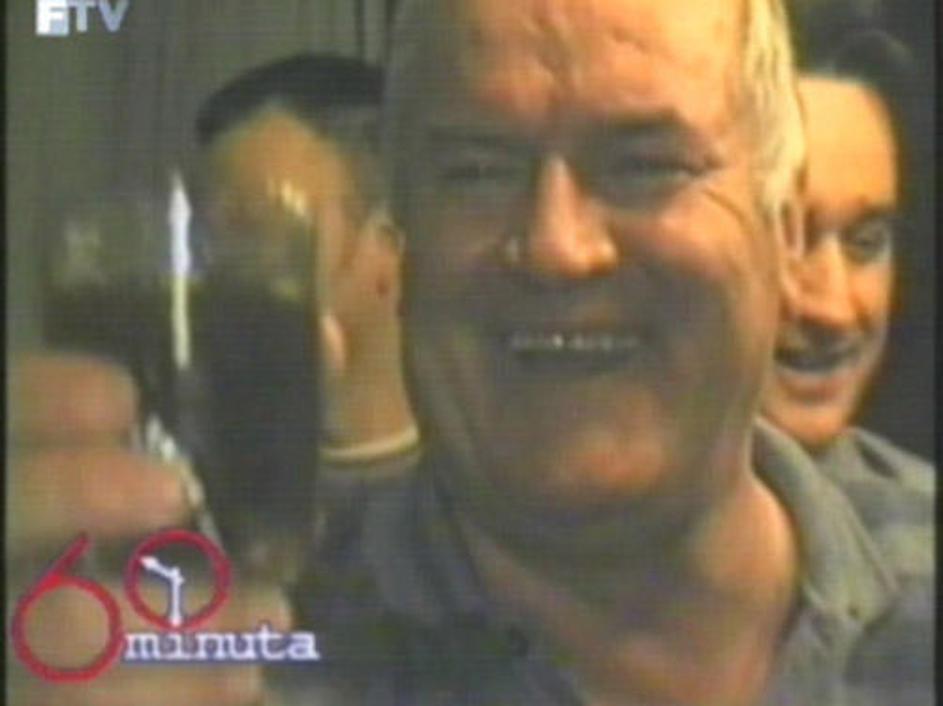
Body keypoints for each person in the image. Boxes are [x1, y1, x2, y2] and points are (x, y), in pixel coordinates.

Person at [8, 2, 933, 706]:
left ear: (781, 230)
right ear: (399, 241)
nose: (557, 246)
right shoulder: (232, 652)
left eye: (645, 163)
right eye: (477, 170)